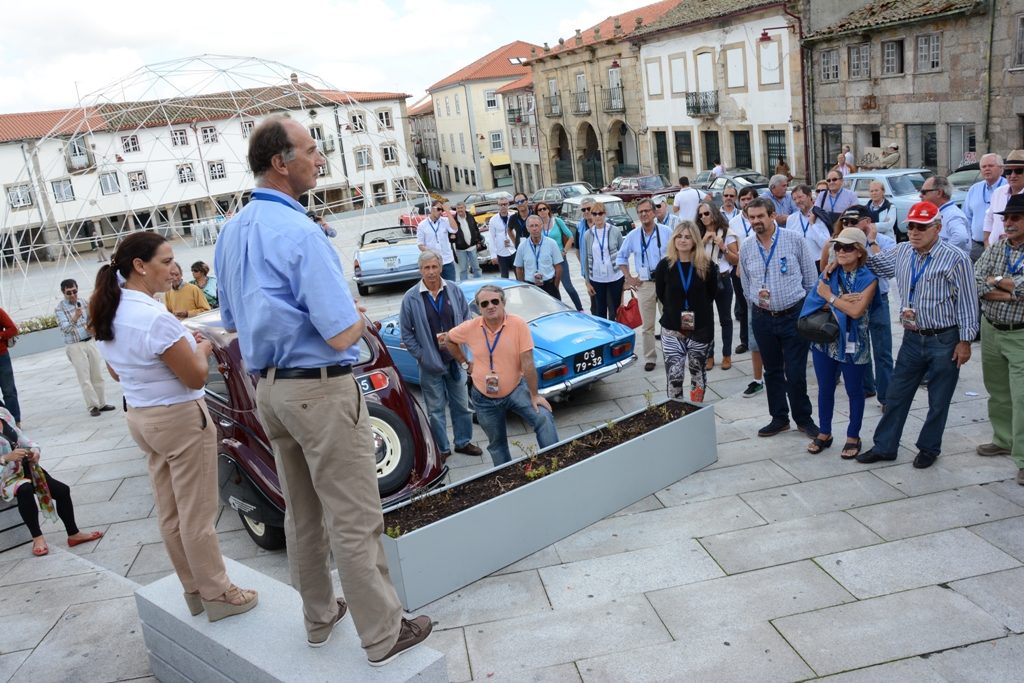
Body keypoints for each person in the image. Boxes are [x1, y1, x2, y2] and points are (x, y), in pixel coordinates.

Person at [213, 116, 430, 663]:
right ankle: (383, 634)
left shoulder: (233, 229)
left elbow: (232, 319)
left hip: (272, 393)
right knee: (356, 517)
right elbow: (338, 331)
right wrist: (357, 317)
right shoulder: (301, 232)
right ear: (281, 162)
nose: (320, 159)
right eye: (312, 150)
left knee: (301, 514)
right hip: (320, 392)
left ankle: (318, 617)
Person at [92, 231, 258, 622]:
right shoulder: (152, 316)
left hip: (142, 416)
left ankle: (194, 589)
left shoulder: (107, 311)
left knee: (169, 511)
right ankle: (219, 592)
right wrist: (202, 347)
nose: (173, 268)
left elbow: (117, 372)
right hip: (180, 419)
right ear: (139, 266)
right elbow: (195, 377)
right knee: (197, 514)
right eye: (165, 261)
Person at [857, 201, 979, 469]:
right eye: (911, 226)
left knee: (938, 399)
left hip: (944, 339)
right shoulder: (902, 251)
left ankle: (928, 447)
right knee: (896, 395)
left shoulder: (955, 258)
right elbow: (873, 265)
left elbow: (968, 302)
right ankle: (885, 446)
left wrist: (965, 342)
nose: (914, 232)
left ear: (938, 228)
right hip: (913, 338)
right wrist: (850, 250)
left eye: (921, 227)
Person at [444, 285, 558, 466]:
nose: (490, 306)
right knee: (497, 444)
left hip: (515, 389)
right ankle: (507, 477)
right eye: (484, 303)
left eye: (495, 301)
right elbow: (449, 339)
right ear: (479, 308)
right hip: (483, 397)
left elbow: (528, 362)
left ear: (503, 303)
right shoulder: (471, 327)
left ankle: (554, 463)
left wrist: (535, 395)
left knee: (543, 417)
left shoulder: (518, 324)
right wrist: (465, 363)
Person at [739, 197, 819, 438]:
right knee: (772, 371)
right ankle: (779, 418)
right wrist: (759, 302)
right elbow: (746, 285)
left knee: (795, 372)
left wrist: (803, 310)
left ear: (772, 215)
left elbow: (810, 280)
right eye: (751, 217)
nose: (756, 221)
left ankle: (803, 419)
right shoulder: (746, 247)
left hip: (792, 315)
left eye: (760, 216)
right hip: (763, 317)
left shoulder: (794, 240)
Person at [802, 228, 879, 459]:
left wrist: (831, 297)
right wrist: (838, 301)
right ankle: (825, 432)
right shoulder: (829, 272)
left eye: (847, 247)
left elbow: (856, 312)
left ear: (859, 251)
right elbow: (812, 303)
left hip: (854, 341)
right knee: (825, 388)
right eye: (838, 247)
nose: (841, 252)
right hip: (825, 340)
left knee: (855, 391)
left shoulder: (868, 278)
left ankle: (853, 436)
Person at [399, 251, 482, 459]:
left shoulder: (453, 290)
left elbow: (466, 319)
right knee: (435, 410)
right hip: (430, 364)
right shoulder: (410, 297)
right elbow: (406, 333)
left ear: (440, 267)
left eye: (434, 267)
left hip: (455, 359)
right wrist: (422, 356)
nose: (431, 272)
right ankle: (442, 448)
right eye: (426, 268)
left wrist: (462, 347)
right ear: (420, 270)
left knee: (462, 405)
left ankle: (463, 442)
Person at [0, 404, 102, 556]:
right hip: (4, 478)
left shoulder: (3, 413)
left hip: (23, 468)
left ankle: (74, 534)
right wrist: (5, 458)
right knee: (25, 489)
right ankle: (37, 538)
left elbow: (22, 439)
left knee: (62, 490)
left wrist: (34, 450)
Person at [974, 193, 1024, 486]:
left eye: (1015, 217)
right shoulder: (998, 246)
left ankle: (1023, 457)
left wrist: (996, 281)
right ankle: (1003, 439)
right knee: (997, 390)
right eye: (1006, 217)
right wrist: (1008, 289)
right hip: (992, 328)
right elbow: (976, 279)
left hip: (1019, 331)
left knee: (1021, 397)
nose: (1008, 222)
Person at [829, 205, 897, 408]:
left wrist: (872, 241)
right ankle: (867, 386)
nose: (848, 225)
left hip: (877, 300)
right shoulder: (842, 243)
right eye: (846, 222)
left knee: (882, 350)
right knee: (858, 345)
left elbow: (887, 270)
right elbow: (831, 265)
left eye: (853, 222)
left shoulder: (884, 241)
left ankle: (886, 397)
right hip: (853, 301)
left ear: (867, 222)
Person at [654, 221, 718, 402]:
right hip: (672, 329)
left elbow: (711, 295)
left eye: (688, 237)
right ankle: (678, 417)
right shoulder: (664, 266)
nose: (683, 240)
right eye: (679, 236)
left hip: (700, 330)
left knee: (697, 374)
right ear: (673, 239)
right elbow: (661, 294)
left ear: (695, 240)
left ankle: (695, 412)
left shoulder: (707, 266)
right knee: (674, 377)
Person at [616, 198, 672, 371]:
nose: (644, 214)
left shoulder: (666, 231)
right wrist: (629, 278)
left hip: (666, 282)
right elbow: (621, 257)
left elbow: (677, 253)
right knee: (647, 325)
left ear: (654, 213)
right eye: (640, 212)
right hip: (645, 284)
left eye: (647, 211)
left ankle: (671, 354)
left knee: (669, 322)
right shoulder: (633, 236)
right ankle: (650, 358)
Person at [724, 186, 765, 396]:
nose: (745, 202)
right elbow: (734, 254)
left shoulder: (783, 236)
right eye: (743, 199)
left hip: (773, 291)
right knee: (747, 319)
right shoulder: (736, 226)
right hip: (748, 285)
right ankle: (758, 377)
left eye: (750, 199)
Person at [55, 279, 114, 417]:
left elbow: (93, 319)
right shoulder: (60, 309)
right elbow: (65, 329)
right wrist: (75, 317)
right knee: (84, 377)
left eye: (74, 291)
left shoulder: (84, 302)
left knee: (97, 374)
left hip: (90, 341)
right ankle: (92, 406)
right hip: (75, 345)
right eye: (69, 293)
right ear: (63, 292)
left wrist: (93, 325)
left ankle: (102, 402)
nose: (73, 295)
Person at [697, 202, 733, 371]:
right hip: (704, 280)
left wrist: (723, 247)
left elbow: (736, 259)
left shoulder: (726, 232)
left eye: (706, 213)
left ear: (713, 213)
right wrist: (702, 242)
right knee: (706, 321)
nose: (703, 217)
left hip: (723, 278)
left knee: (725, 319)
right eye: (700, 215)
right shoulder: (698, 233)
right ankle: (709, 356)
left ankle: (727, 355)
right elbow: (689, 257)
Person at [535, 201, 583, 310]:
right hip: (546, 261)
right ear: (537, 213)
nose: (542, 211)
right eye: (539, 210)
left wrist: (565, 251)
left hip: (560, 259)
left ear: (548, 210)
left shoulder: (557, 221)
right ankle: (559, 310)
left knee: (568, 286)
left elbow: (570, 237)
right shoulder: (537, 226)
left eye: (544, 208)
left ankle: (580, 309)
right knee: (553, 288)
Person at [583, 201, 625, 320]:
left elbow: (623, 255)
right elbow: (585, 258)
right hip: (596, 278)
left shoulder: (615, 231)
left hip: (615, 276)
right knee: (600, 310)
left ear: (605, 214)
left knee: (615, 310)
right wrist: (587, 281)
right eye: (594, 214)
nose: (597, 216)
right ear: (591, 215)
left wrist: (626, 277)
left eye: (600, 213)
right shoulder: (588, 234)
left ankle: (616, 335)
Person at [964, 153, 1006, 261]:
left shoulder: (1008, 188)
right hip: (976, 247)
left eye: (991, 166)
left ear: (1001, 169)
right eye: (983, 166)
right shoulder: (974, 189)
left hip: (1001, 247)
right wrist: (969, 241)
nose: (987, 169)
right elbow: (967, 218)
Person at [514, 215, 563, 300]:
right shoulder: (522, 246)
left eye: (536, 225)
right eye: (531, 226)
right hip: (531, 287)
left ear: (541, 226)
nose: (534, 229)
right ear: (527, 228)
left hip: (549, 285)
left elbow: (558, 267)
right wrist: (523, 287)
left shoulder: (552, 243)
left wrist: (555, 286)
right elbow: (518, 268)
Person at [920, 176, 971, 254]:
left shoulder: (952, 214)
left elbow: (961, 237)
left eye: (924, 192)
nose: (920, 195)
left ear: (939, 193)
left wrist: (940, 255)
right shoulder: (942, 212)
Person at [786, 184, 832, 271]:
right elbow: (788, 243)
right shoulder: (791, 219)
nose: (797, 201)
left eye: (800, 197)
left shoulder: (820, 216)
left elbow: (825, 244)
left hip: (818, 263)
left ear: (810, 195)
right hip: (798, 264)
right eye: (794, 199)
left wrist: (813, 225)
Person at [985, 149, 1024, 246]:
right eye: (1008, 171)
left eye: (1018, 171)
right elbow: (989, 218)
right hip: (995, 251)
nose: (1012, 175)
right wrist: (986, 242)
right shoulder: (998, 192)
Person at [417, 200, 458, 281]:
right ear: (432, 209)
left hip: (447, 261)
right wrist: (432, 254)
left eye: (442, 210)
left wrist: (447, 211)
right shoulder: (422, 225)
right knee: (435, 287)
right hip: (433, 263)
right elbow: (420, 245)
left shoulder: (445, 221)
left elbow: (454, 229)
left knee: (451, 286)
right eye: (439, 209)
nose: (440, 212)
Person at [576, 197, 599, 315]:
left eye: (588, 209)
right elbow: (578, 250)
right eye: (583, 209)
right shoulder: (580, 227)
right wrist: (585, 268)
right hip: (590, 272)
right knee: (594, 304)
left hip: (606, 271)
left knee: (611, 304)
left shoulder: (604, 224)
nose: (586, 212)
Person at [452, 202, 483, 280]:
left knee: (476, 267)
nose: (460, 210)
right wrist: (452, 238)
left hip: (472, 246)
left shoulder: (470, 216)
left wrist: (478, 241)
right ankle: (464, 286)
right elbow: (451, 234)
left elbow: (476, 229)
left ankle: (479, 283)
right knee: (463, 270)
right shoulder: (453, 220)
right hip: (460, 249)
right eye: (458, 208)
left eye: (461, 208)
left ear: (465, 208)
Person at [488, 196, 517, 278]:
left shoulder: (513, 216)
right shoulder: (493, 220)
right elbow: (491, 237)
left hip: (514, 250)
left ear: (508, 205)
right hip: (501, 252)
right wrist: (493, 255)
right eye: (501, 205)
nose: (503, 206)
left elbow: (518, 233)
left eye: (505, 204)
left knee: (519, 274)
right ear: (498, 206)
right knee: (504, 277)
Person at [0, 309, 18, 426]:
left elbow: (13, 329)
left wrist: (0, 335)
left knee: (9, 391)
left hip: (1, 357)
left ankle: (15, 421)